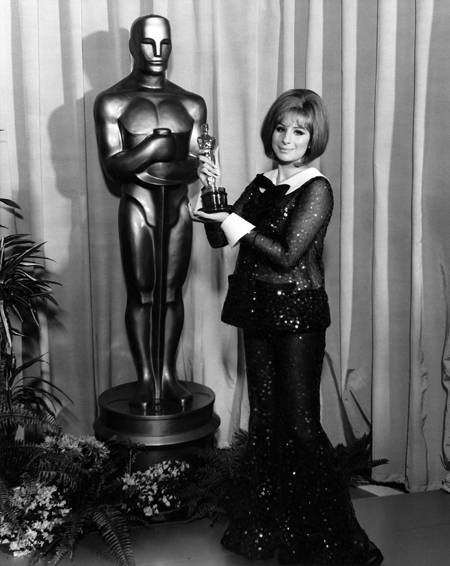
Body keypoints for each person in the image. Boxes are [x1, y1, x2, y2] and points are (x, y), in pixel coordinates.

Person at [192, 89, 383, 565]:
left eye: (299, 131)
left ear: (313, 138)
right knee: (265, 420)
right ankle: (274, 528)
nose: (287, 138)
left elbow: (286, 254)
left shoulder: (317, 189)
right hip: (256, 311)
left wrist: (231, 220)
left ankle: (339, 540)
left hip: (298, 315)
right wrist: (210, 191)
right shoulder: (262, 184)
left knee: (300, 425)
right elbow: (218, 236)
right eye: (281, 128)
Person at [94, 15, 207, 412]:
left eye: (165, 43)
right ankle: (146, 377)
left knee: (172, 292)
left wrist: (145, 160)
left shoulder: (191, 103)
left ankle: (168, 374)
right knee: (142, 292)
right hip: (137, 205)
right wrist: (153, 151)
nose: (157, 52)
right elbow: (114, 167)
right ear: (133, 46)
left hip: (177, 206)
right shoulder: (112, 101)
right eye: (148, 43)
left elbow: (198, 164)